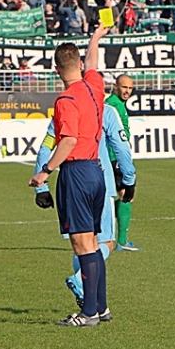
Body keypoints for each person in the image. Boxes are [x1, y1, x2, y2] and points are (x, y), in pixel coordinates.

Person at [28, 26, 110, 327]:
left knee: (81, 243)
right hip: (96, 171)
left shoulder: (65, 100)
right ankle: (100, 308)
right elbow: (94, 64)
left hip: (75, 172)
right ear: (78, 64)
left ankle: (89, 313)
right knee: (92, 240)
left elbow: (69, 140)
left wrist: (44, 172)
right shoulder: (93, 86)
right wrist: (96, 38)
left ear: (55, 68)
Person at [33, 101, 135, 309]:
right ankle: (81, 281)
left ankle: (96, 304)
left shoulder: (64, 110)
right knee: (105, 242)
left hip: (69, 182)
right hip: (100, 180)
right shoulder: (105, 110)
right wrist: (129, 178)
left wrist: (41, 187)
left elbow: (45, 147)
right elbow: (121, 145)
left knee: (81, 243)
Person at [105, 74, 139, 252]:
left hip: (116, 155)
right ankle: (121, 241)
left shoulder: (118, 104)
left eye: (130, 88)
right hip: (114, 155)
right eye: (124, 87)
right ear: (115, 86)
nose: (127, 91)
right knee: (126, 195)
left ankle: (118, 239)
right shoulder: (113, 104)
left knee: (123, 195)